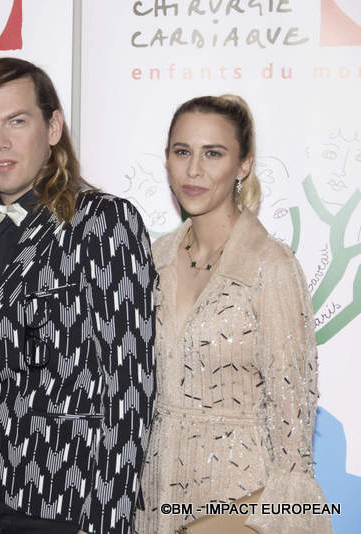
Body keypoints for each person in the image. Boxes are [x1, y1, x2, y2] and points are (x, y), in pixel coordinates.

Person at [0, 57, 156, 534]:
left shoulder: (102, 221)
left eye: (17, 121)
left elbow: (129, 382)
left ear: (53, 127)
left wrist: (107, 519)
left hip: (69, 496)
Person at [134, 95, 333, 534]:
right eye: (182, 151)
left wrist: (223, 525)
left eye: (214, 154)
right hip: (152, 509)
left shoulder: (271, 267)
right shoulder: (152, 260)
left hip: (240, 514)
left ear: (243, 165)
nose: (194, 170)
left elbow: (293, 443)